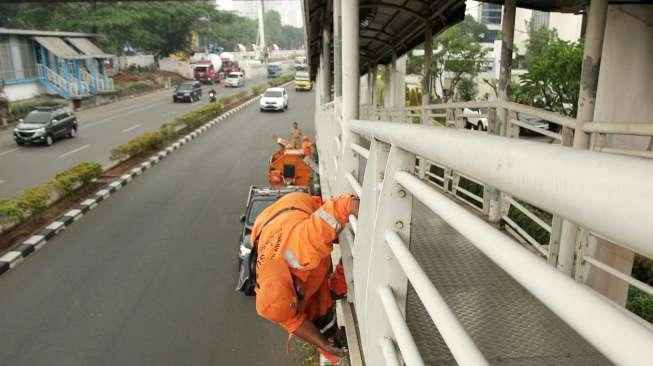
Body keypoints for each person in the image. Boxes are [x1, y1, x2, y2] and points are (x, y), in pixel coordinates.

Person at [253, 192, 359, 363]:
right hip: (266, 227)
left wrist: (372, 220)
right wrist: (324, 343)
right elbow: (294, 322)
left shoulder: (304, 243)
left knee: (338, 233)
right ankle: (336, 343)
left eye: (300, 294)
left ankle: (344, 278)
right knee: (314, 310)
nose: (303, 292)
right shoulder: (271, 299)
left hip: (294, 207)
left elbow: (344, 205)